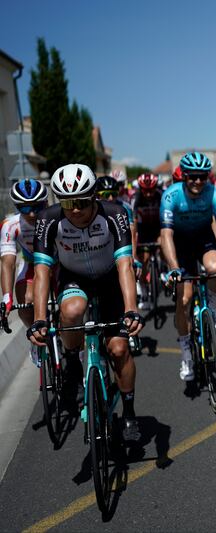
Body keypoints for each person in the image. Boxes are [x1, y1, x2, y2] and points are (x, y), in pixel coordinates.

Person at [28, 164, 143, 441]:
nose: (75, 209)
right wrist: (39, 319)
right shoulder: (48, 219)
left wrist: (131, 309)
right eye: (68, 202)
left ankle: (128, 412)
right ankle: (71, 360)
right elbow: (42, 271)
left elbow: (125, 265)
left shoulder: (114, 214)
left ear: (94, 196)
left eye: (81, 201)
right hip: (73, 279)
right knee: (72, 310)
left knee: (118, 349)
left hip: (109, 279)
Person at [161, 152, 216, 380]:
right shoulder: (171, 195)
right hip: (179, 245)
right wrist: (173, 267)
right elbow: (166, 236)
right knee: (185, 298)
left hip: (203, 239)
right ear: (185, 176)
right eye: (193, 177)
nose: (198, 181)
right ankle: (186, 352)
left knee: (215, 267)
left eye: (203, 177)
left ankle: (214, 303)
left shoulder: (213, 192)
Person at [1, 179, 48, 365]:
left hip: (58, 266)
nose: (31, 213)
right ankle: (35, 338)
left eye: (37, 207)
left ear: (45, 203)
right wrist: (6, 297)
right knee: (25, 304)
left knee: (66, 309)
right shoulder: (10, 225)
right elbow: (8, 263)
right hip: (31, 266)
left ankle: (73, 350)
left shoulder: (57, 217)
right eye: (24, 208)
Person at [132, 173, 162, 311]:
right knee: (143, 261)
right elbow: (134, 223)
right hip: (143, 231)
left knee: (165, 245)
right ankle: (144, 291)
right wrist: (135, 241)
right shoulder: (136, 199)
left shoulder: (161, 196)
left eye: (152, 190)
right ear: (140, 189)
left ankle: (164, 271)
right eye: (145, 190)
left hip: (157, 228)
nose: (149, 194)